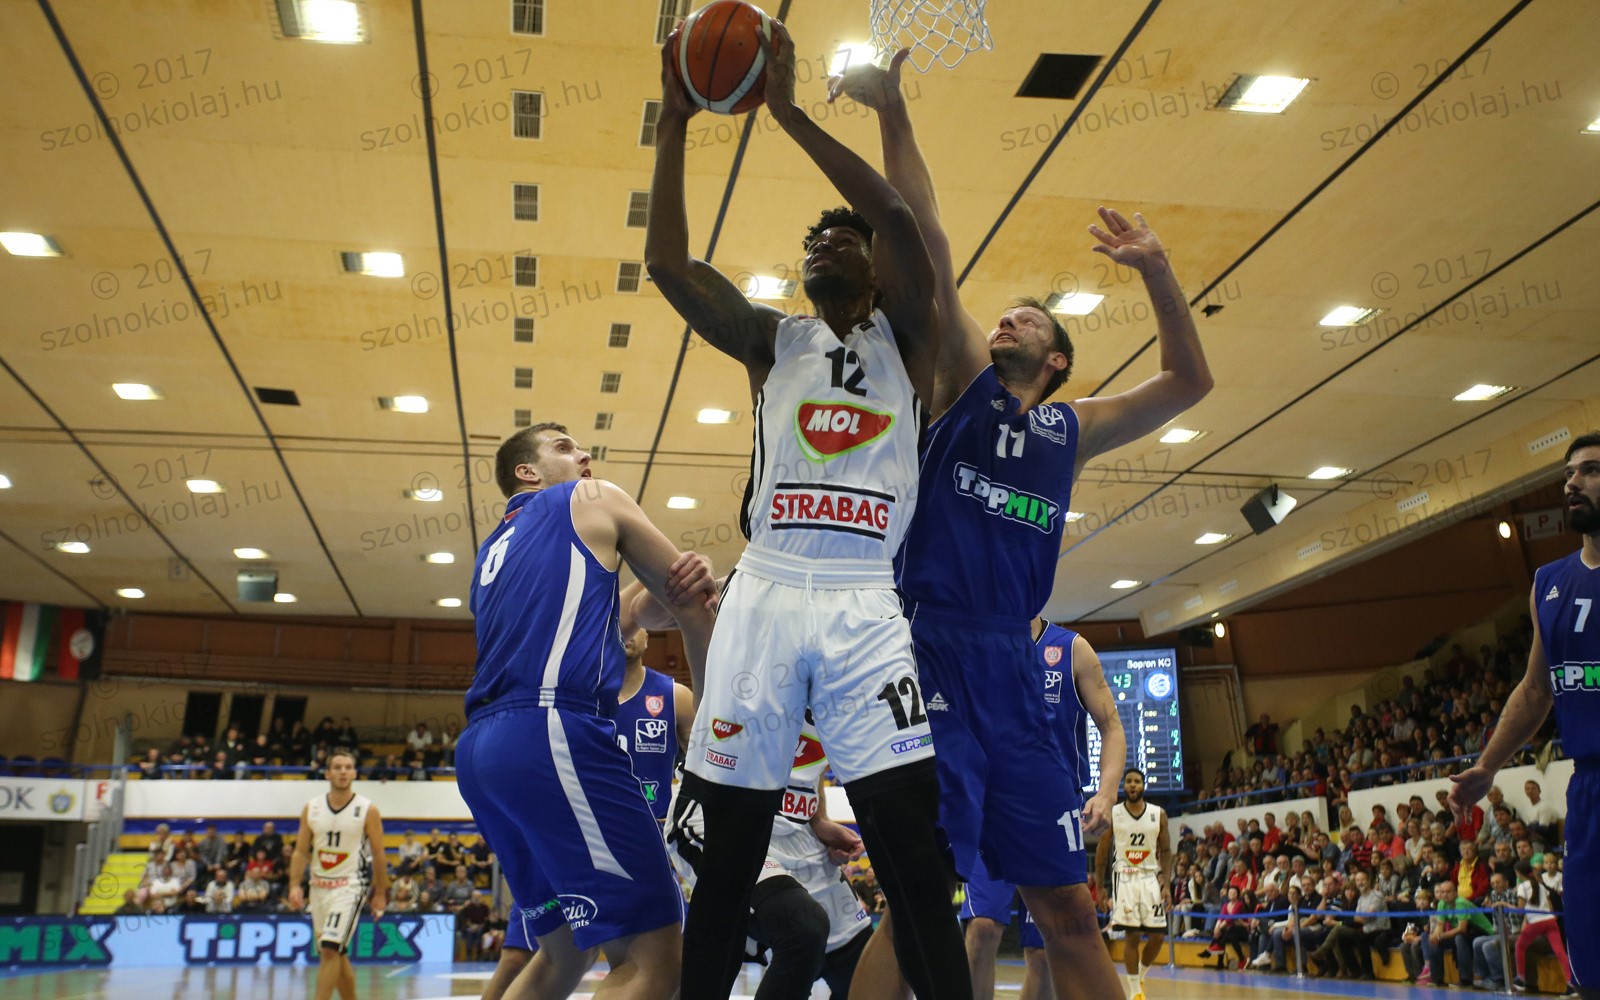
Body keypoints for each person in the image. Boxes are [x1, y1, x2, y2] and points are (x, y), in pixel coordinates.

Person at [832, 50, 1211, 1000]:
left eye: (1027, 320)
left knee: (1070, 913)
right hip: (929, 647)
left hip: (1013, 666)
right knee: (918, 900)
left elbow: (1188, 381)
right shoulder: (963, 382)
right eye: (1001, 316)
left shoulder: (1069, 430)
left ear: (1058, 358)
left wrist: (1157, 269)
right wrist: (893, 110)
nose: (1005, 321)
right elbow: (924, 239)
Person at [646, 24, 966, 1000]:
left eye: (842, 238)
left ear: (876, 267)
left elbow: (900, 216)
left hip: (866, 600)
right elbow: (669, 266)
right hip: (769, 590)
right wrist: (673, 123)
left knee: (912, 855)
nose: (822, 245)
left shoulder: (910, 338)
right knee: (731, 855)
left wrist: (783, 111)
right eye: (810, 243)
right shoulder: (769, 340)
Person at [455, 422, 718, 1000]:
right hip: (551, 731)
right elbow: (693, 605)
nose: (584, 453)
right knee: (654, 960)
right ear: (527, 471)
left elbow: (614, 617)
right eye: (564, 446)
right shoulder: (593, 496)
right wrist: (703, 613)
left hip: (481, 751)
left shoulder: (494, 550)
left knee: (563, 953)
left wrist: (653, 603)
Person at [1448, 432, 1599, 996]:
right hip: (1589, 791)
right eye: (1569, 473)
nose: (1573, 482)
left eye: (1591, 470)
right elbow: (1536, 689)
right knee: (1592, 956)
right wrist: (1488, 766)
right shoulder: (1549, 583)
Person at [966, 623, 1128, 1000]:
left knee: (1047, 948)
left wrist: (1106, 793)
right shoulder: (976, 642)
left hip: (1054, 812)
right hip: (990, 809)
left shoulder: (1072, 649)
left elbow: (1112, 728)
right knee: (983, 928)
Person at [287, 747, 389, 1000]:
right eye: (337, 767)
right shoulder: (311, 808)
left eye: (348, 767)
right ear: (327, 773)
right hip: (318, 887)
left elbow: (378, 854)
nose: (343, 772)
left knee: (330, 949)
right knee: (335, 952)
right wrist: (294, 885)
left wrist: (380, 893)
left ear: (354, 773)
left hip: (350, 886)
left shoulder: (367, 809)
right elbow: (300, 851)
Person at [1095, 769, 1170, 1000]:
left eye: (1137, 781)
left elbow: (1166, 850)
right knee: (1133, 935)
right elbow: (1102, 851)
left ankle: (1141, 974)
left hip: (1149, 877)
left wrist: (1167, 885)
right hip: (1125, 877)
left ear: (1143, 786)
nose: (1133, 785)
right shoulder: (1113, 814)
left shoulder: (1159, 814)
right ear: (1124, 786)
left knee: (1158, 936)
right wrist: (1100, 887)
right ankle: (1135, 991)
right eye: (1128, 781)